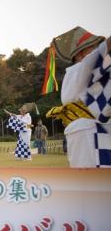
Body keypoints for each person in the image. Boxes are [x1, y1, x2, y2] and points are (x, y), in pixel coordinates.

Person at [46, 27, 111, 168]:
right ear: (81, 54)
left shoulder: (95, 71)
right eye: (94, 48)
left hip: (95, 128)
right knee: (93, 179)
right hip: (89, 130)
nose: (100, 51)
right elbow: (101, 53)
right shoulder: (81, 69)